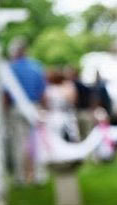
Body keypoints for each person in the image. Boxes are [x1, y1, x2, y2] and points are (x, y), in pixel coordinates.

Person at [6, 37, 46, 184]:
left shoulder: (11, 69)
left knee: (18, 143)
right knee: (37, 142)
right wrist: (43, 109)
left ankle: (20, 176)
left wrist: (5, 111)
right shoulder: (37, 66)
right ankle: (38, 175)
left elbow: (6, 93)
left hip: (17, 108)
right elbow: (43, 91)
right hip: (34, 106)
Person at [44, 68, 79, 142]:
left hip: (54, 115)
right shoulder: (68, 88)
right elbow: (73, 101)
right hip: (64, 115)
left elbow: (45, 103)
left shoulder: (49, 89)